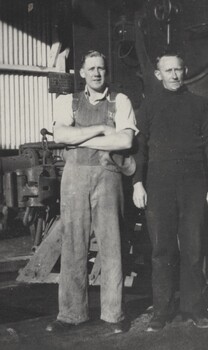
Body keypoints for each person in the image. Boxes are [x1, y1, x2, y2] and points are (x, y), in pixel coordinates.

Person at [46, 50, 138, 333]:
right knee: (73, 244)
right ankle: (71, 314)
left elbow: (124, 140)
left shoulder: (120, 101)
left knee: (112, 246)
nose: (97, 73)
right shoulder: (67, 101)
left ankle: (114, 315)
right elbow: (60, 135)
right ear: (82, 73)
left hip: (108, 178)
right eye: (91, 68)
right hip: (73, 180)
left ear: (106, 72)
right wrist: (101, 129)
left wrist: (80, 137)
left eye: (101, 68)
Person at [132, 50, 208, 331]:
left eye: (178, 70)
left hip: (194, 184)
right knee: (162, 250)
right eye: (168, 71)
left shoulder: (202, 106)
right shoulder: (147, 108)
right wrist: (137, 183)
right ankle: (161, 311)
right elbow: (140, 149)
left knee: (193, 249)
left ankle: (194, 309)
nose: (174, 75)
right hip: (158, 186)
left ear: (185, 72)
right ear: (158, 75)